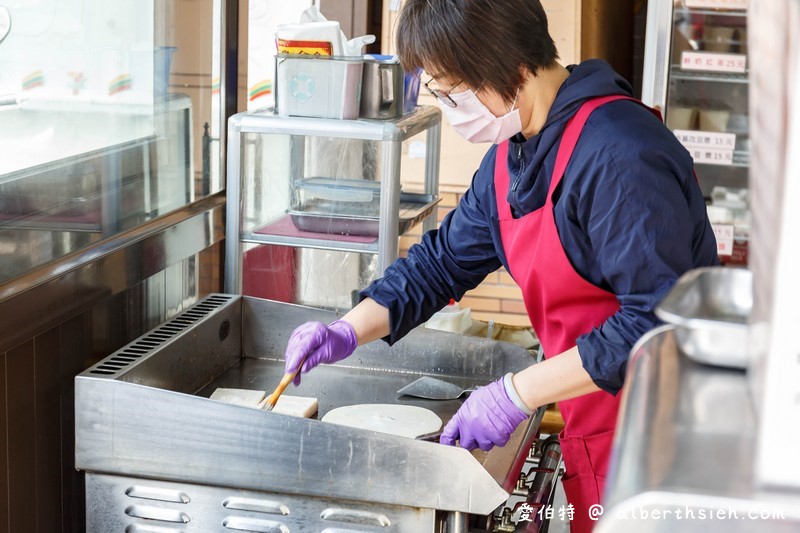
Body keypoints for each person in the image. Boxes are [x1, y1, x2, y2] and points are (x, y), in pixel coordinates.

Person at [282, 0, 718, 531]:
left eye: (453, 90)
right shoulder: (513, 155)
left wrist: (516, 393)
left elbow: (657, 322)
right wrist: (347, 330)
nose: (449, 106)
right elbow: (439, 265)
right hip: (593, 428)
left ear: (509, 68)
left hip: (659, 446)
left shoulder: (620, 155)